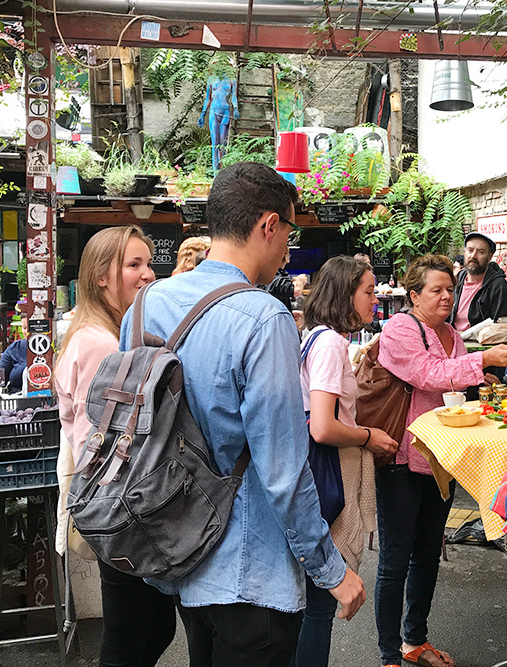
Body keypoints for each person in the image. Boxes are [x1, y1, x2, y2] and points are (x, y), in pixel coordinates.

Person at [121, 162, 365, 666]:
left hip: (179, 551)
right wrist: (332, 571)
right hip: (251, 570)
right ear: (268, 225)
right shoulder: (263, 317)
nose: (286, 252)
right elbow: (283, 472)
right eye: (288, 234)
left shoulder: (146, 304)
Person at [376, 254, 507, 667]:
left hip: (441, 459)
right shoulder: (401, 328)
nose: (445, 297)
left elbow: (453, 380)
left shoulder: (451, 335)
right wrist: (483, 361)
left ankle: (414, 641)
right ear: (414, 295)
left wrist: (484, 378)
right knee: (395, 559)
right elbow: (428, 374)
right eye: (436, 290)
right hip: (403, 457)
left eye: (450, 290)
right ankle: (389, 654)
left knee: (427, 553)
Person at [53, 226, 173, 667]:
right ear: (101, 276)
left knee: (152, 628)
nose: (147, 274)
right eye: (133, 264)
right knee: (128, 637)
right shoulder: (99, 342)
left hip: (119, 506)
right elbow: (99, 441)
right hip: (118, 509)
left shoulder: (105, 332)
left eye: (147, 262)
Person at [291, 256, 398, 667]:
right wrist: (369, 436)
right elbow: (322, 427)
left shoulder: (316, 337)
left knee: (306, 606)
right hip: (327, 472)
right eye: (368, 292)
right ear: (344, 294)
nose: (375, 300)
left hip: (314, 471)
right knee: (318, 607)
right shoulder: (331, 343)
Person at [450, 232, 507, 385]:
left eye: (481, 252)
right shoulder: (457, 279)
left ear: (490, 257)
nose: (474, 256)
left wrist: (494, 374)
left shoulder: (498, 286)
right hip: (454, 354)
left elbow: (500, 331)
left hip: (484, 360)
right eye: (470, 250)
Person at [197, 73, 238, 172]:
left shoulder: (232, 80)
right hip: (214, 112)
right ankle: (215, 172)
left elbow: (233, 96)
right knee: (215, 143)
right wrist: (203, 113)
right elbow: (208, 98)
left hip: (225, 112)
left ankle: (222, 171)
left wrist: (236, 108)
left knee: (223, 143)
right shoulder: (211, 79)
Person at [0, 314, 28, 394]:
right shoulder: (14, 348)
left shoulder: (49, 349)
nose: (27, 332)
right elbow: (0, 379)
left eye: (30, 328)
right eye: (24, 328)